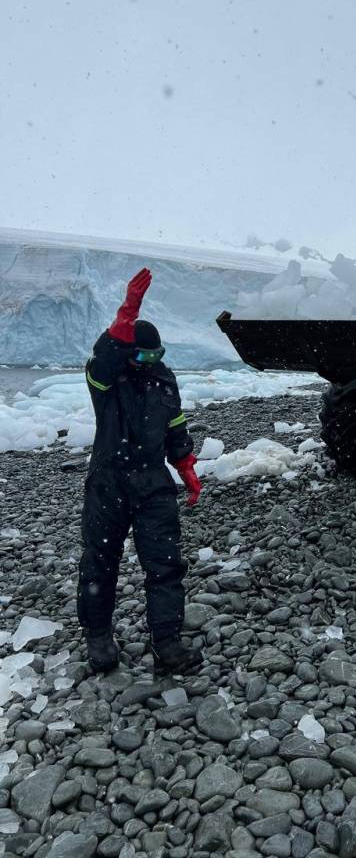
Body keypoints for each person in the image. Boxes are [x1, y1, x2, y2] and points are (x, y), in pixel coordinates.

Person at [78, 268, 203, 675]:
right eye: (146, 356)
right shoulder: (107, 378)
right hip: (108, 480)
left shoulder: (163, 380)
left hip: (152, 482)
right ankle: (98, 637)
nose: (153, 363)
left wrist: (185, 465)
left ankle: (166, 643)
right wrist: (128, 310)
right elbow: (106, 354)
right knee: (100, 561)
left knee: (165, 565)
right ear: (131, 353)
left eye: (158, 355)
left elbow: (174, 425)